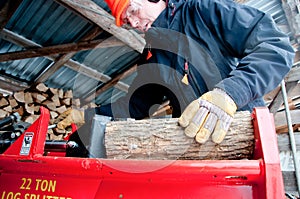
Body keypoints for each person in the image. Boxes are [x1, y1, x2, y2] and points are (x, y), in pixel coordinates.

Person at [59, 0, 294, 146]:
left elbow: (274, 46)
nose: (134, 22)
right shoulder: (153, 53)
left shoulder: (202, 11)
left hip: (241, 134)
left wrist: (231, 94)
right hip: (195, 142)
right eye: (127, 21)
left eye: (132, 10)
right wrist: (88, 115)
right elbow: (136, 104)